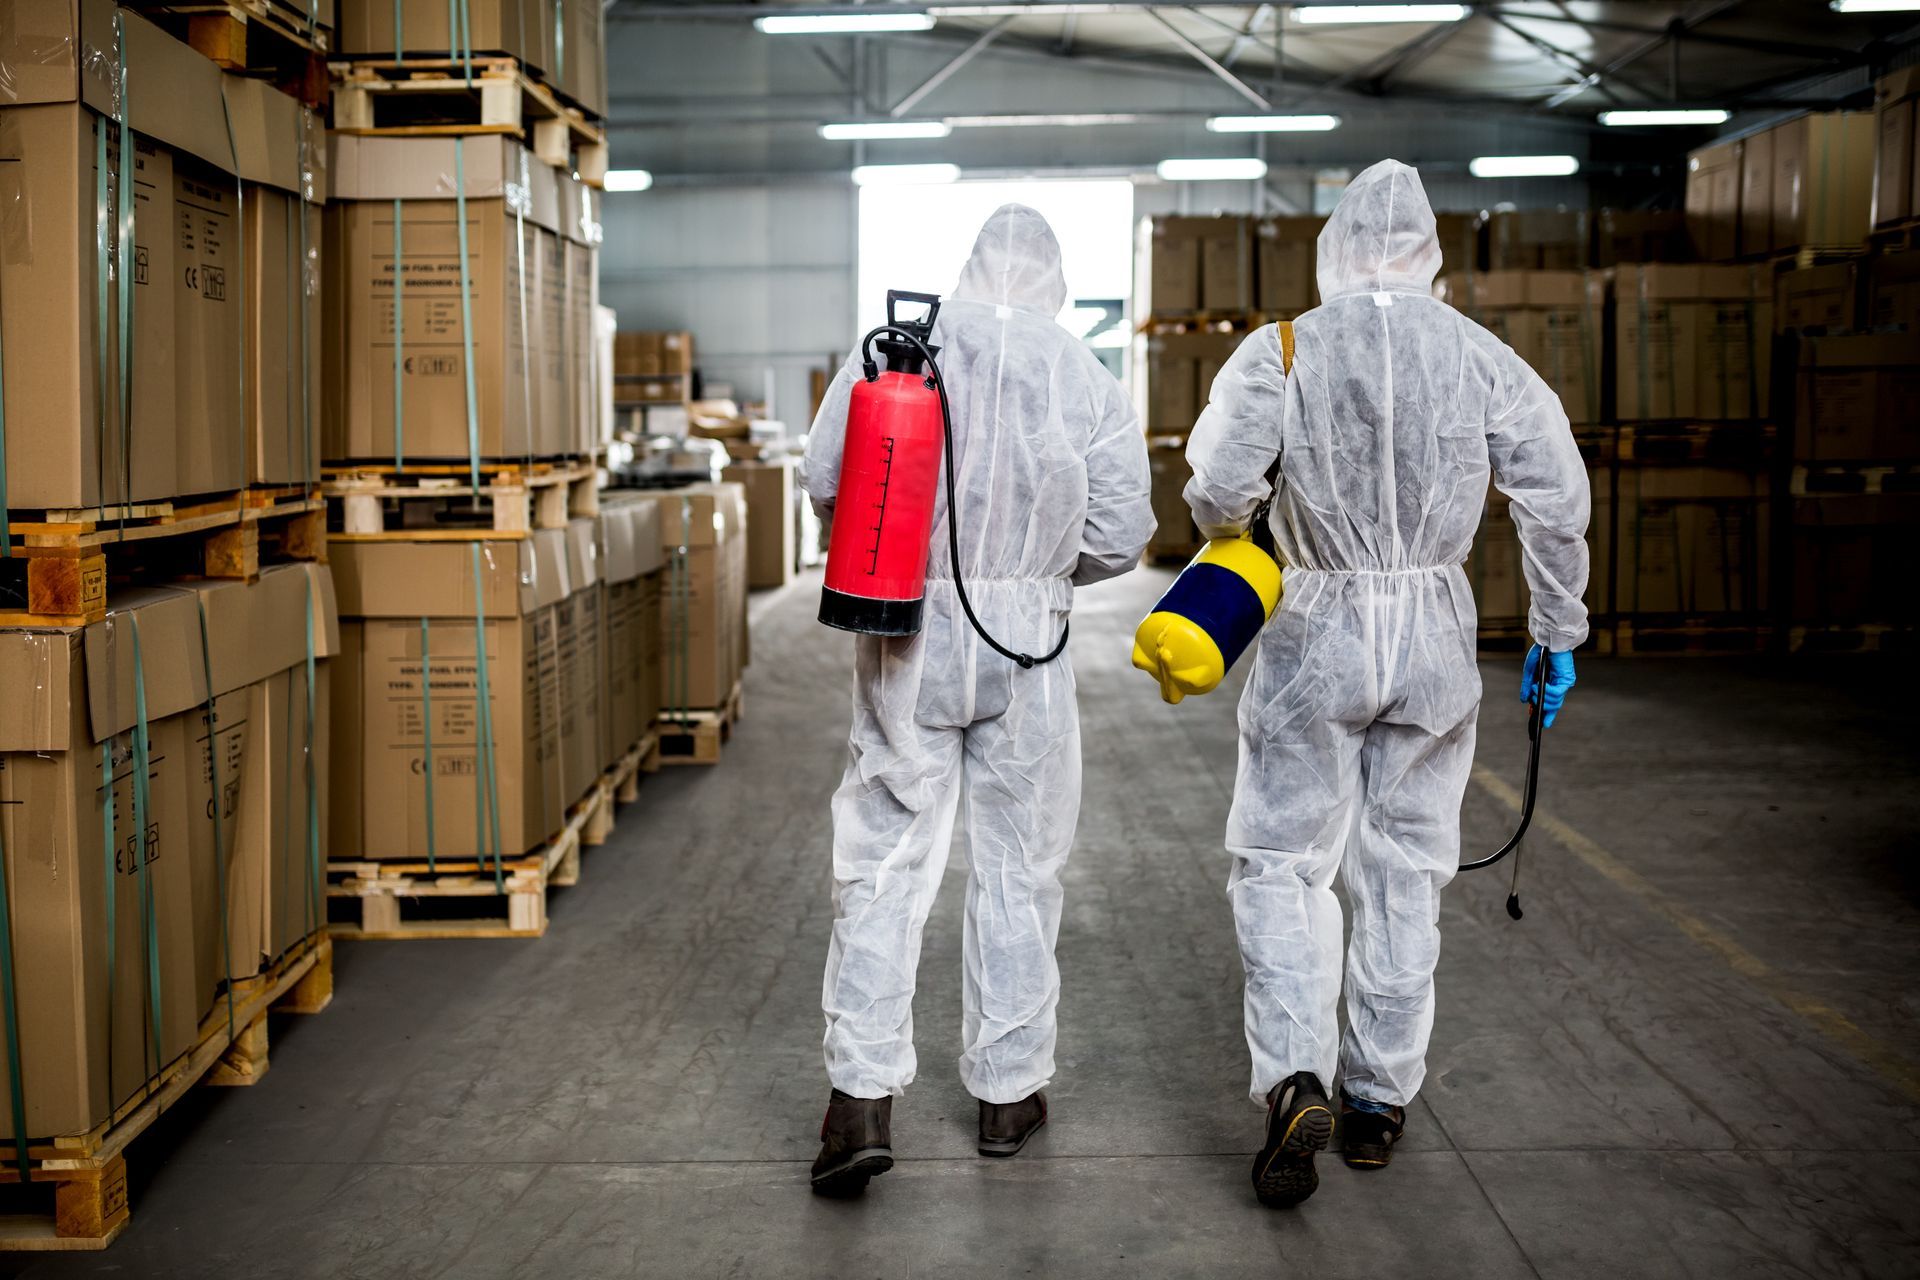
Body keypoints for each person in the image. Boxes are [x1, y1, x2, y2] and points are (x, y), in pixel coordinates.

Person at [1183, 159, 1589, 1209]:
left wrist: (1242, 539)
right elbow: (1554, 490)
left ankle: (1294, 1078)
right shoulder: (1479, 353)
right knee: (1407, 868)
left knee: (1281, 862)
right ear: (1430, 254)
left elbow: (1220, 484)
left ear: (1334, 245)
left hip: (1316, 622)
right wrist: (1556, 628)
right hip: (1434, 636)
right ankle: (1376, 1101)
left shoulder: (1283, 350)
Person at [800, 204, 1154, 1196]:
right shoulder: (1080, 372)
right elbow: (1126, 530)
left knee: (881, 864)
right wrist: (1037, 576)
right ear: (1052, 279)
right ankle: (1007, 1093)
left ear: (969, 266)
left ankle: (859, 1100)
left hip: (901, 626)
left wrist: (901, 551)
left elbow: (827, 480)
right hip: (1026, 643)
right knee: (1019, 865)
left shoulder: (903, 349)